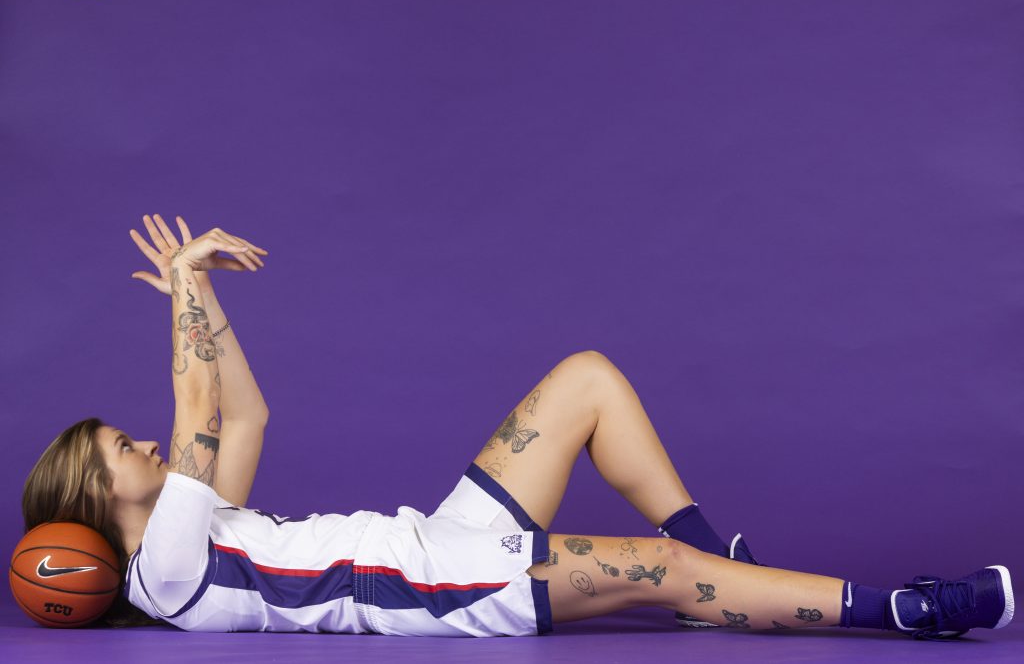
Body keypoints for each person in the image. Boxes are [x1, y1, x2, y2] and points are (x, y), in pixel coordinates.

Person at [21, 214, 1014, 639]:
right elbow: (197, 408)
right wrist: (183, 282)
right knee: (652, 570)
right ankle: (898, 609)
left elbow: (242, 411)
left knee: (584, 379)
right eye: (122, 450)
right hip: (440, 590)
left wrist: (205, 299)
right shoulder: (168, 568)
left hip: (433, 539)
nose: (145, 443)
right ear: (97, 500)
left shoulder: (201, 545)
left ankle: (715, 565)